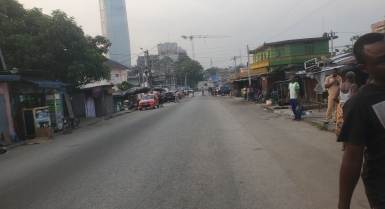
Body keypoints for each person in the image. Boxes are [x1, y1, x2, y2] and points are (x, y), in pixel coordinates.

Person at [337, 33, 385, 209]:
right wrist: (343, 205)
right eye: (382, 60)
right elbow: (352, 158)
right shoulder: (360, 103)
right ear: (365, 68)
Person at [333, 71, 358, 151]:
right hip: (349, 106)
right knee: (350, 125)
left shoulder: (340, 86)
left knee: (342, 125)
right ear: (353, 78)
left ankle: (343, 146)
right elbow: (354, 99)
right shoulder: (353, 86)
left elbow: (334, 98)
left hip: (340, 107)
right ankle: (349, 145)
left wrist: (340, 104)